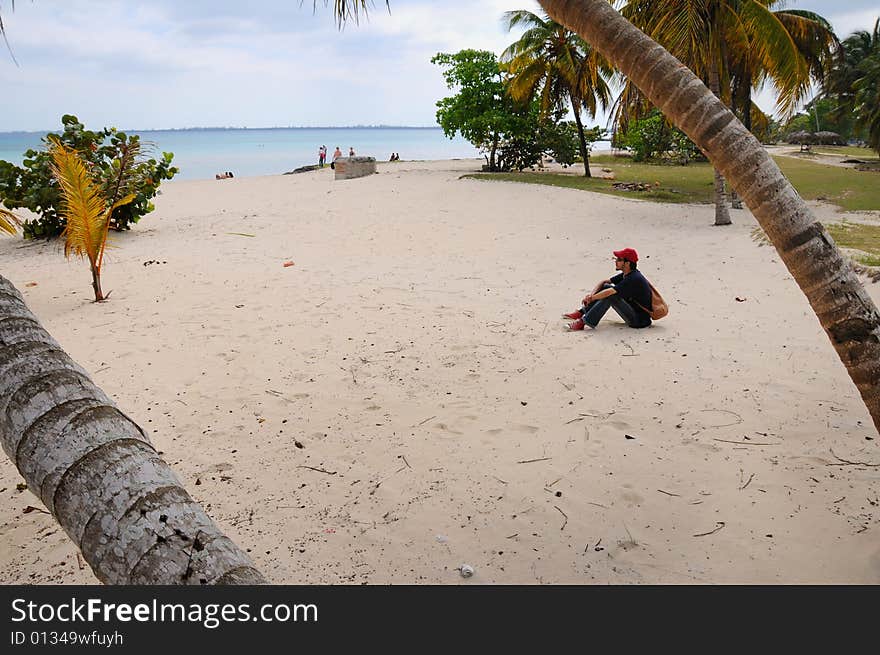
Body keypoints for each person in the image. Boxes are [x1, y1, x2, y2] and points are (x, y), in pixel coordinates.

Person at [564, 248, 653, 331]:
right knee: (606, 286)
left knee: (610, 295)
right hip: (632, 311)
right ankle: (581, 312)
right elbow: (604, 282)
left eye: (619, 260)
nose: (616, 261)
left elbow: (610, 292)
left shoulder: (633, 278)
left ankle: (584, 322)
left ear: (627, 263)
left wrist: (592, 298)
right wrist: (591, 295)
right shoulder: (627, 274)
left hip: (638, 321)